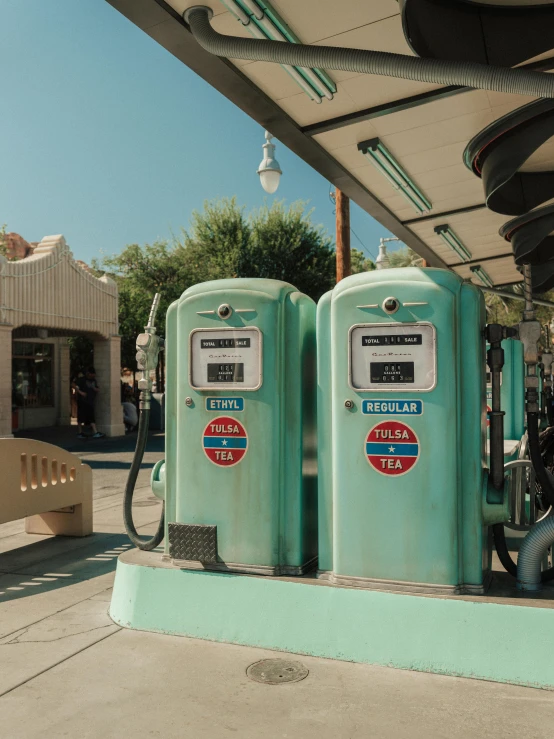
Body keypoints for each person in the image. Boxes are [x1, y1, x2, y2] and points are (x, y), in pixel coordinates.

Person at [73, 367, 105, 439]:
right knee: (80, 416)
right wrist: (80, 392)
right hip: (82, 401)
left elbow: (97, 388)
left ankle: (95, 432)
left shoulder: (93, 380)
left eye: (93, 375)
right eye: (91, 374)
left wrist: (95, 389)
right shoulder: (82, 380)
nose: (92, 376)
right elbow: (74, 385)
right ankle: (80, 432)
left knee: (91, 416)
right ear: (88, 373)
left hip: (90, 401)